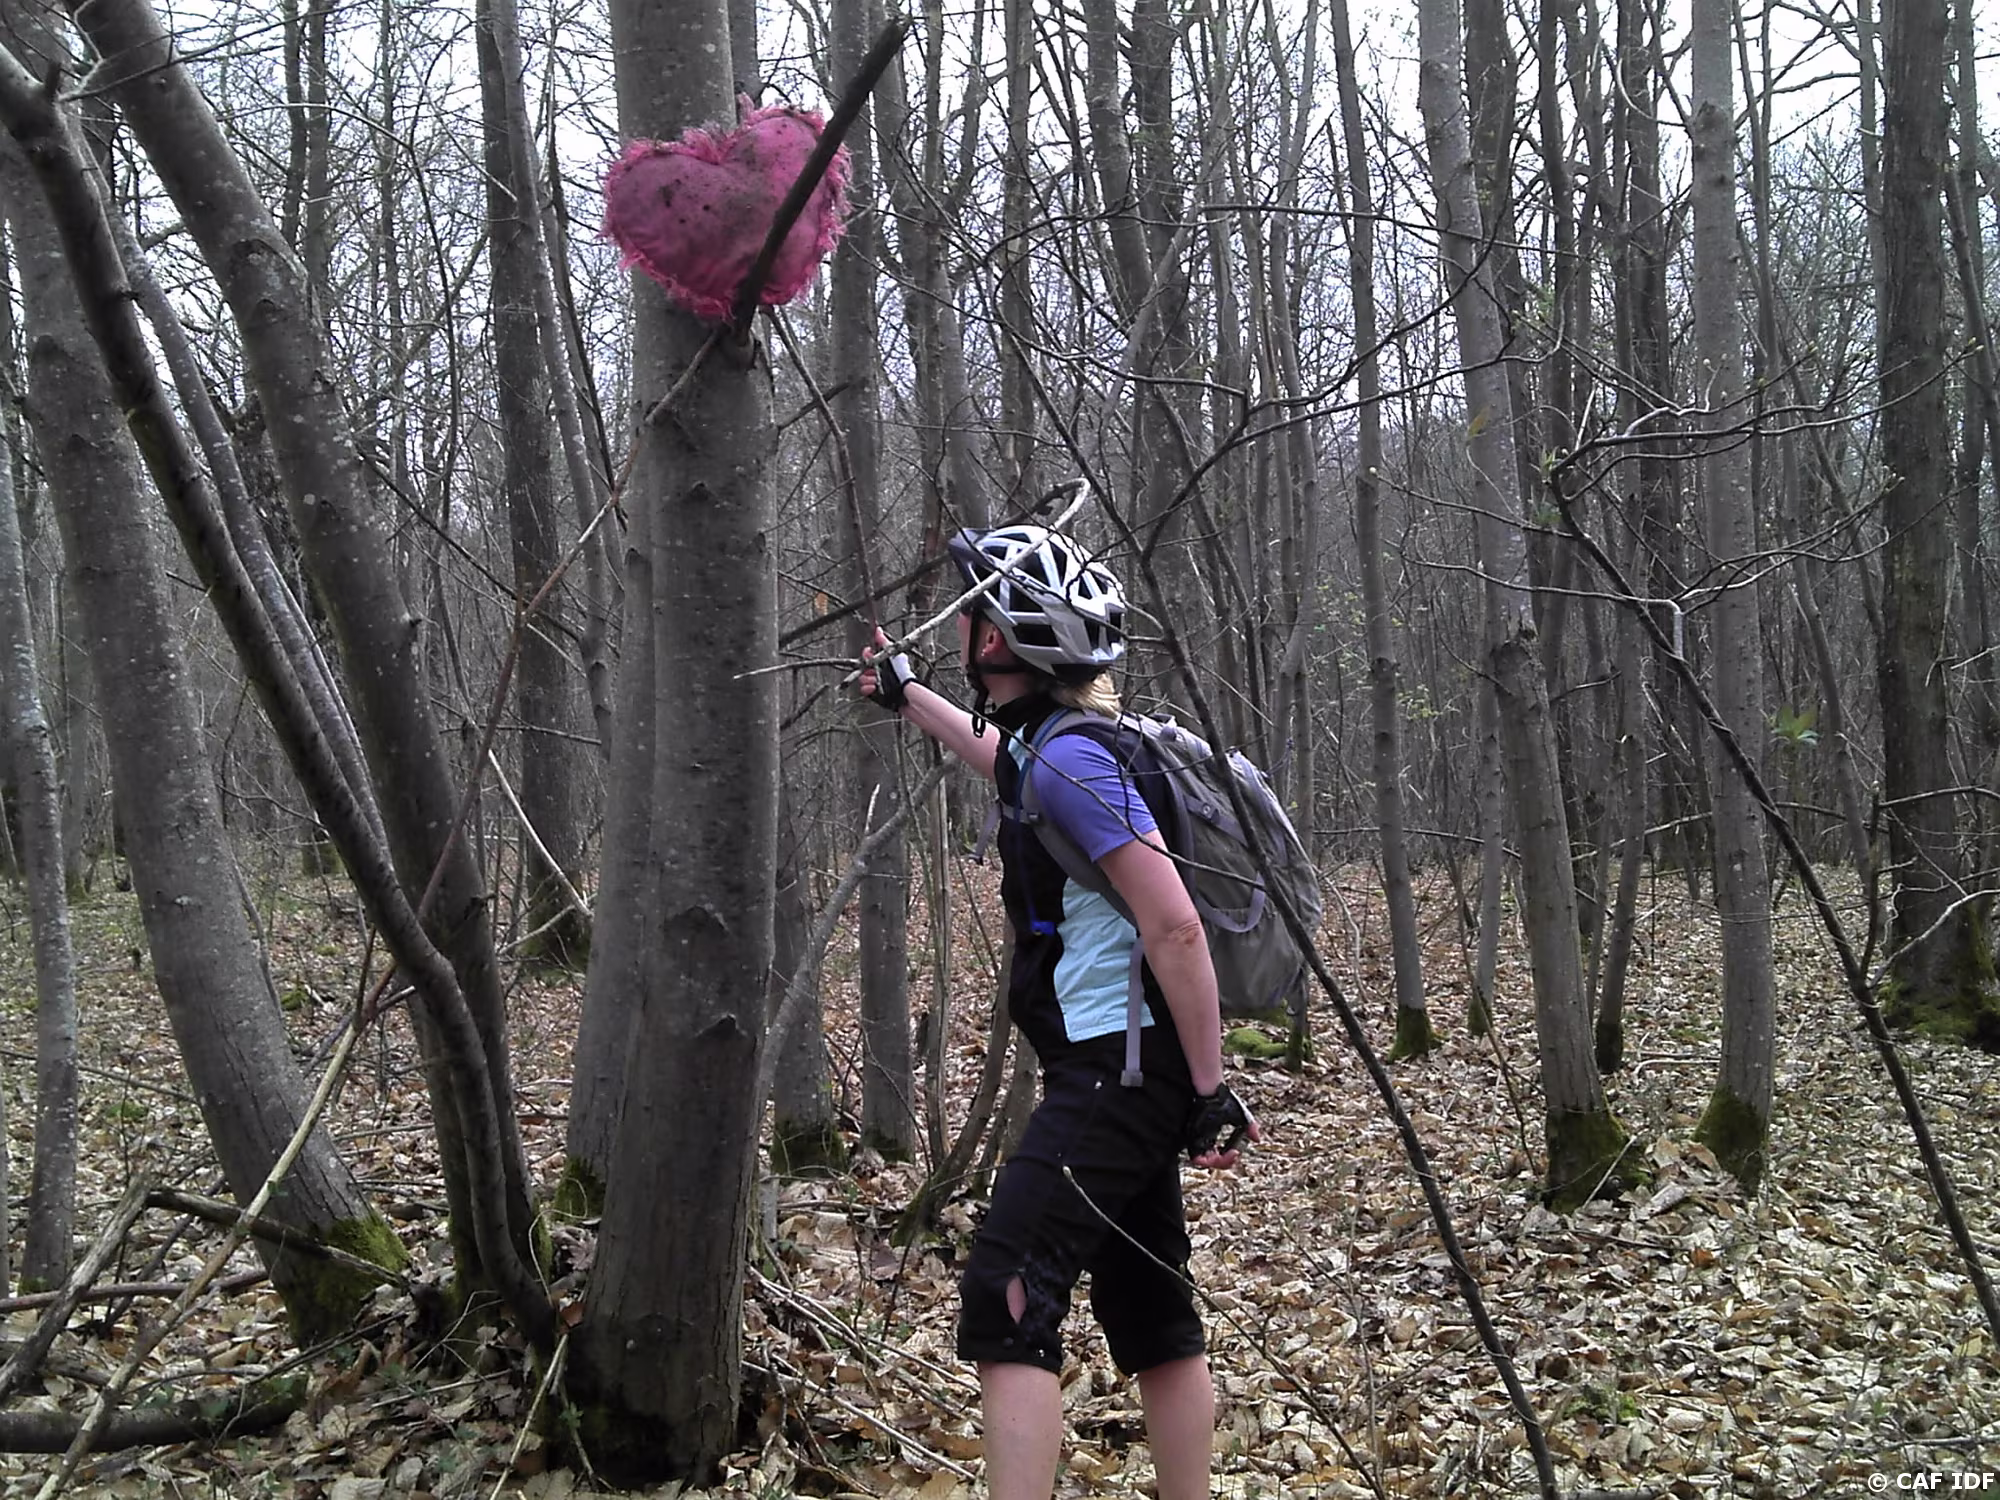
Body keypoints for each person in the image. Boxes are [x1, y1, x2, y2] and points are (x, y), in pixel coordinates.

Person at [856, 522, 1259, 1500]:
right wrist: (908, 695)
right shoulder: (1061, 747)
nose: (958, 620)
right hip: (1130, 1066)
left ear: (996, 639)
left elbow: (1174, 926)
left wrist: (1211, 1090)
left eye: (970, 609)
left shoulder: (1074, 765)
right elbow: (1000, 757)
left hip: (1116, 1070)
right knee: (1152, 1310)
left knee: (1007, 1297)